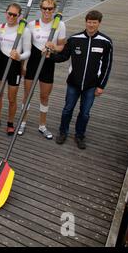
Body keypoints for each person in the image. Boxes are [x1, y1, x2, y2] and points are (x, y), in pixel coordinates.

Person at [46, 10, 113, 149]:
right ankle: (63, 132)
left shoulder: (106, 42)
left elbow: (107, 66)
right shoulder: (74, 39)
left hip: (91, 85)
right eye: (89, 22)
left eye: (94, 23)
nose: (91, 25)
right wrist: (50, 56)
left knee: (85, 113)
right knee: (67, 109)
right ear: (86, 22)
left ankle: (79, 135)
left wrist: (101, 86)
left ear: (99, 23)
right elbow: (63, 56)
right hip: (74, 83)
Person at [18, 0, 67, 139]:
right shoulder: (32, 24)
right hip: (32, 64)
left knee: (44, 96)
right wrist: (22, 66)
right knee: (27, 95)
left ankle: (42, 125)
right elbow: (25, 47)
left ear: (54, 10)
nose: (47, 11)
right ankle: (23, 122)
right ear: (40, 9)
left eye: (50, 9)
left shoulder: (60, 25)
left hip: (48, 63)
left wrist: (54, 47)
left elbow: (62, 47)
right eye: (44, 8)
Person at [0, 3, 31, 135]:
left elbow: (28, 52)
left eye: (15, 15)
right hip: (0, 64)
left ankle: (10, 123)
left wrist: (19, 56)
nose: (11, 17)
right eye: (9, 13)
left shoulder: (24, 30)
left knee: (12, 98)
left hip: (14, 66)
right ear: (5, 13)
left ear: (19, 16)